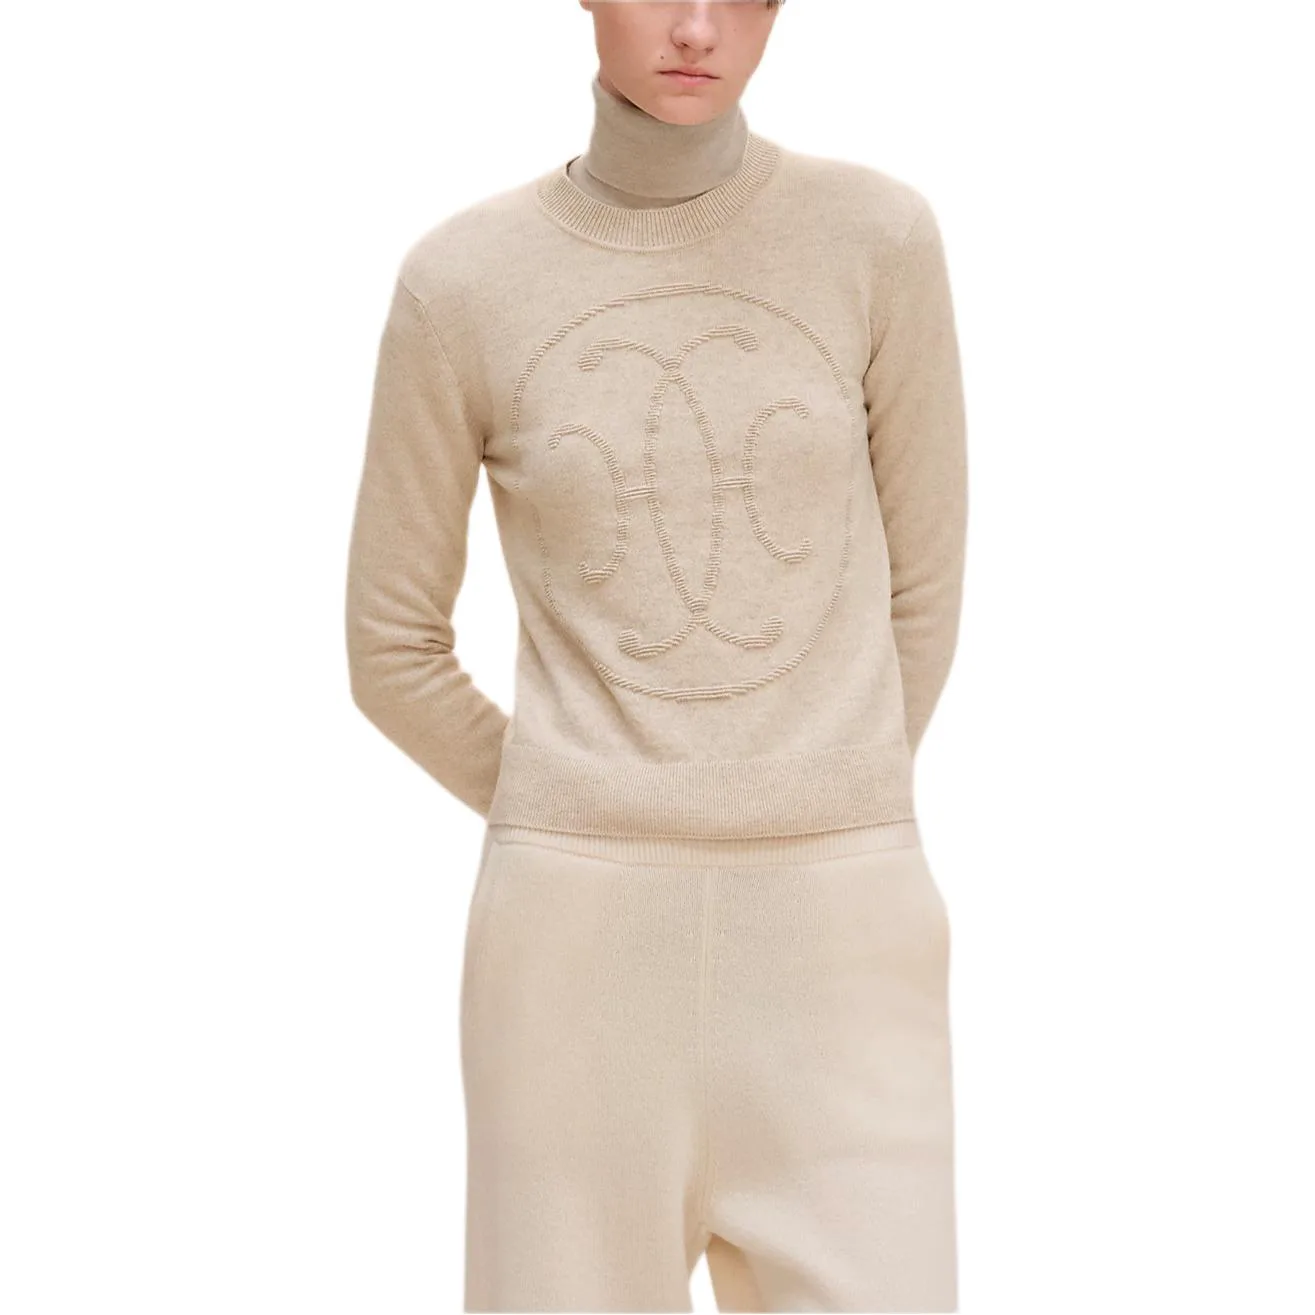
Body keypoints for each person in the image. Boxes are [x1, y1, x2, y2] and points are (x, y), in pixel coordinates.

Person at [345, 1, 967, 1309]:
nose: (696, 29)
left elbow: (922, 588)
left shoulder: (876, 241)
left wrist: (825, 787)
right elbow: (390, 645)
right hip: (573, 956)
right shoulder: (463, 281)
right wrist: (577, 801)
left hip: (843, 941)